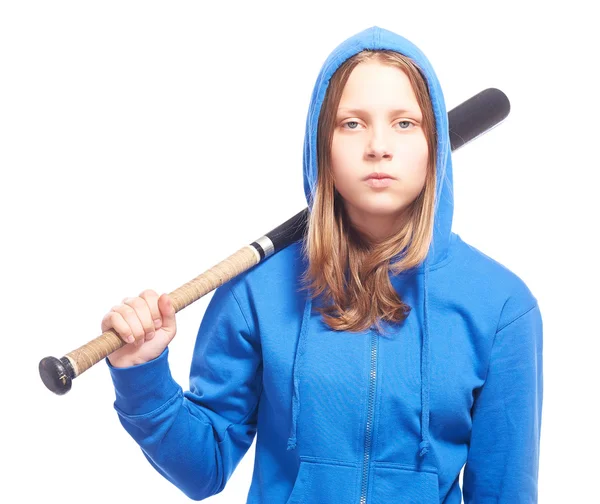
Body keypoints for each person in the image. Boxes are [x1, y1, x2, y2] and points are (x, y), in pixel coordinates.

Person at [102, 25, 543, 503]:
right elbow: (202, 468)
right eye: (352, 123)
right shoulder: (257, 292)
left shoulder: (500, 306)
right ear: (321, 146)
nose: (378, 145)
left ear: (433, 144)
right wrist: (142, 377)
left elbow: (504, 493)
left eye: (404, 123)